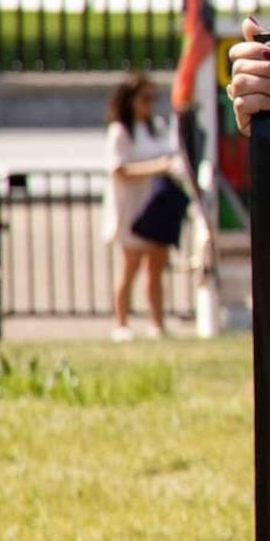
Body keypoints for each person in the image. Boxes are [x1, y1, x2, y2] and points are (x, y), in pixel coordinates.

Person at [101, 71, 188, 341]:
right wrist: (157, 168)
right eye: (144, 98)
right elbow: (119, 169)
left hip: (155, 207)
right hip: (131, 207)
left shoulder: (156, 127)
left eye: (152, 98)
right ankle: (121, 323)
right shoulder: (120, 132)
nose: (149, 104)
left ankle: (157, 324)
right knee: (130, 267)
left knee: (156, 268)